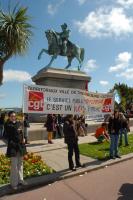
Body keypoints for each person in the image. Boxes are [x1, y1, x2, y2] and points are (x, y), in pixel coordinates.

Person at [4, 111, 27, 190]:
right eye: (12, 116)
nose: (14, 117)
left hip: (20, 146)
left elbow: (23, 130)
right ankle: (14, 183)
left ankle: (21, 180)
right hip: (13, 147)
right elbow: (11, 131)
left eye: (14, 116)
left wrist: (24, 138)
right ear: (9, 117)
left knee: (20, 164)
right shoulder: (7, 124)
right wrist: (19, 122)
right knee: (14, 166)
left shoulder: (18, 123)